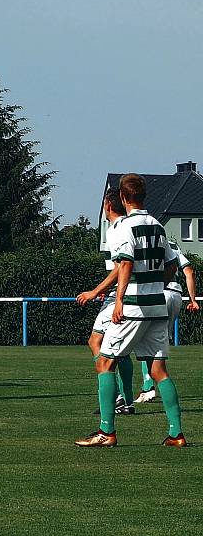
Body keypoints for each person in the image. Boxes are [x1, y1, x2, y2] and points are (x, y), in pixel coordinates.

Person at [75, 173, 185, 447]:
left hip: (133, 307)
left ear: (123, 198)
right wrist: (155, 284)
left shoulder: (123, 227)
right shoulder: (158, 226)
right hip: (157, 307)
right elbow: (172, 265)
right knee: (159, 370)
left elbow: (124, 264)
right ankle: (176, 434)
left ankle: (106, 432)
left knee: (104, 362)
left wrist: (119, 300)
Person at [75, 187, 135, 415]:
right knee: (122, 351)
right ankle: (126, 401)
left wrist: (94, 291)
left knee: (95, 342)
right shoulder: (130, 226)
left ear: (108, 206)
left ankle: (116, 398)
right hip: (125, 293)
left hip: (120, 295)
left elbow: (121, 267)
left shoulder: (116, 229)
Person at [135, 240, 199, 403]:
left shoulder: (147, 243)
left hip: (159, 293)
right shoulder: (174, 247)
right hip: (176, 296)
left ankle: (148, 387)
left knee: (145, 339)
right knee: (161, 341)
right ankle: (155, 384)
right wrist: (192, 299)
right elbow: (189, 272)